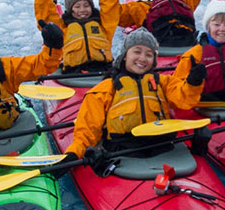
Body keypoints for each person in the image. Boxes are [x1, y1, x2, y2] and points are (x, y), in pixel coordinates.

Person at [59, 29, 201, 167]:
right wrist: (73, 153)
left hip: (162, 146)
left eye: (149, 55)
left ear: (154, 60)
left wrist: (194, 82)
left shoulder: (164, 83)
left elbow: (184, 98)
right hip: (123, 151)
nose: (142, 59)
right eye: (137, 52)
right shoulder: (106, 89)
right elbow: (87, 130)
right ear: (125, 55)